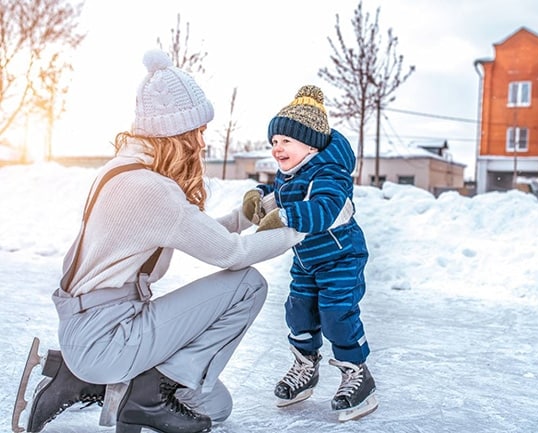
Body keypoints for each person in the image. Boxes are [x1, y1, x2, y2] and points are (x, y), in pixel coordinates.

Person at [13, 49, 305, 433]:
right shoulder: (152, 189)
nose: (202, 143)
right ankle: (143, 392)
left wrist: (245, 217)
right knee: (248, 284)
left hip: (93, 328)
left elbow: (192, 230)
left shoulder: (121, 171)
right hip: (108, 335)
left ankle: (83, 377)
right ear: (178, 135)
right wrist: (299, 227)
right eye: (198, 132)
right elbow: (230, 255)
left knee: (217, 405)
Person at [241, 85, 378, 422]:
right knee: (298, 312)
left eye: (285, 141)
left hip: (341, 258)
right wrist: (261, 198)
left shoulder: (329, 173)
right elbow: (281, 193)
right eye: (274, 142)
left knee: (336, 313)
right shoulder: (292, 173)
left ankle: (357, 373)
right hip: (306, 260)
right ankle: (306, 366)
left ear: (310, 144)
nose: (277, 148)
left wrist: (285, 216)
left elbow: (325, 209)